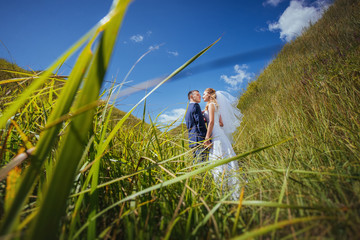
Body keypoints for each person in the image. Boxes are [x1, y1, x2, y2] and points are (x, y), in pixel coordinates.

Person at [202, 88, 243, 198]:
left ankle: (222, 189)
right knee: (225, 156)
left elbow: (211, 122)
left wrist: (207, 137)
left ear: (210, 94)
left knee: (218, 157)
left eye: (204, 94)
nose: (202, 96)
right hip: (220, 134)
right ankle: (230, 185)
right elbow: (221, 123)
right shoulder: (216, 106)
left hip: (215, 134)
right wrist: (205, 115)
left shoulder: (211, 105)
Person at [185, 90, 208, 162]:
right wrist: (206, 138)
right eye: (197, 94)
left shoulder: (189, 108)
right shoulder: (196, 106)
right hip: (200, 139)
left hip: (192, 140)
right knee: (202, 163)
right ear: (191, 96)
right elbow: (200, 124)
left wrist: (201, 116)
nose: (200, 96)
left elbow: (193, 122)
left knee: (196, 163)